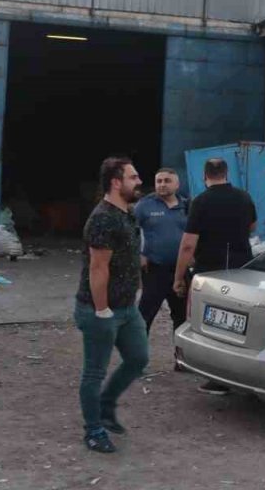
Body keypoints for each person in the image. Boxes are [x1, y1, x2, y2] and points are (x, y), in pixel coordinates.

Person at [74, 157, 150, 454]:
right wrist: (102, 309)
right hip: (100, 310)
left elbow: (130, 257)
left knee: (138, 358)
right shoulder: (103, 218)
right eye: (133, 177)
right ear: (116, 183)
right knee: (94, 372)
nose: (139, 181)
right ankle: (93, 430)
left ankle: (105, 405)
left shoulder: (127, 213)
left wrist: (136, 290)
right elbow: (98, 267)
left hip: (128, 308)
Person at [172, 157, 257, 395]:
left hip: (210, 272)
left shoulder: (200, 202)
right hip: (241, 269)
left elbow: (188, 244)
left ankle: (217, 377)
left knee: (210, 325)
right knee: (238, 325)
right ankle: (240, 374)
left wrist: (178, 277)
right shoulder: (244, 197)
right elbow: (252, 226)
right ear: (227, 174)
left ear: (204, 176)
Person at [134, 168, 189, 334]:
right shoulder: (144, 205)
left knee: (181, 317)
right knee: (144, 316)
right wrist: (139, 253)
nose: (162, 184)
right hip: (154, 270)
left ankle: (180, 351)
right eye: (159, 181)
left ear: (177, 184)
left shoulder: (187, 206)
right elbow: (129, 231)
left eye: (167, 181)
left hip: (181, 271)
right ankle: (137, 350)